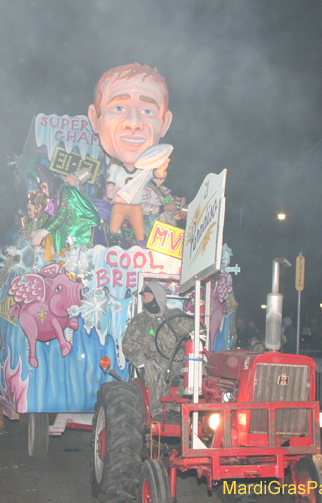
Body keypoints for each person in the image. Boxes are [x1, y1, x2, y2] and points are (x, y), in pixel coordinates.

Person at [87, 63, 173, 245]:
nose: (133, 123)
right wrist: (111, 194)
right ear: (95, 118)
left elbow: (158, 176)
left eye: (147, 111)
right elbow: (111, 184)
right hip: (118, 207)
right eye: (118, 108)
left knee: (140, 235)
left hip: (137, 211)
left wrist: (162, 169)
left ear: (164, 123)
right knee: (113, 234)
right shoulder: (97, 201)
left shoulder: (150, 180)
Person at [122, 282, 191, 418]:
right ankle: (158, 411)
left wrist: (197, 331)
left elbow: (193, 327)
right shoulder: (139, 321)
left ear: (158, 297)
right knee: (153, 368)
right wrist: (140, 358)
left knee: (196, 366)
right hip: (153, 362)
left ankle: (184, 406)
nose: (146, 299)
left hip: (176, 361)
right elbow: (128, 343)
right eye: (144, 296)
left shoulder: (176, 316)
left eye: (149, 295)